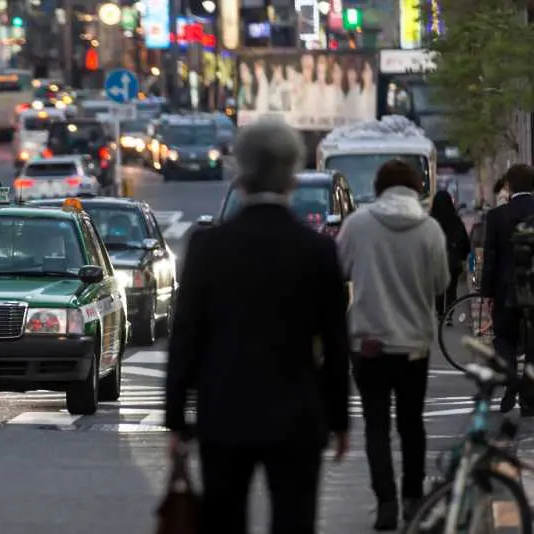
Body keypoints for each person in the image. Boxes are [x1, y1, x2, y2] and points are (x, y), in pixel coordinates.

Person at [165, 119, 350, 534]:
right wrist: (339, 419)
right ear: (292, 176)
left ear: (240, 171)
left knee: (225, 519)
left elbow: (187, 336)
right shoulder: (317, 250)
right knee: (294, 520)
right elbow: (336, 344)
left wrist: (176, 418)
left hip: (223, 410)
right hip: (297, 413)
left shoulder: (208, 246)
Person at [336, 159, 450, 530]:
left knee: (376, 425)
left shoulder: (358, 225)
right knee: (411, 423)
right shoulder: (430, 229)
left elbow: (341, 268)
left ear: (380, 187)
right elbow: (440, 283)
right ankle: (413, 497)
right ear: (417, 188)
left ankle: (385, 501)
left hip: (369, 342)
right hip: (414, 343)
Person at [481, 164, 534, 414]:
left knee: (504, 338)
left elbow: (490, 258)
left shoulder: (497, 216)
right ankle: (529, 398)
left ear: (509, 187)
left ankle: (510, 378)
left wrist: (486, 293)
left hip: (505, 289)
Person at [430, 190, 470, 323]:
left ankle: (440, 312)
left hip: (435, 260)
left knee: (438, 288)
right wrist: (463, 257)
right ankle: (449, 313)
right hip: (453, 260)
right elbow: (464, 241)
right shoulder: (456, 220)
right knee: (452, 288)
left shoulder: (430, 222)